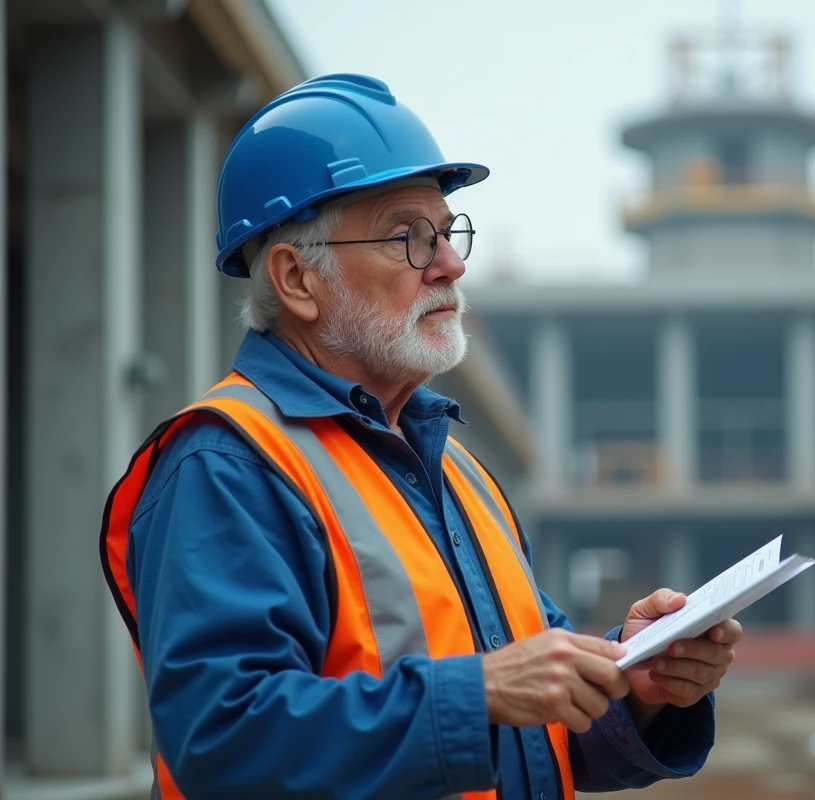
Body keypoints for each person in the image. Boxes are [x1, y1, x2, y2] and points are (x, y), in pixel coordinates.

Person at [99, 73, 741, 800]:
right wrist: (477, 694)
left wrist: (636, 681)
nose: (451, 265)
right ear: (297, 280)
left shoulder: (457, 472)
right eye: (407, 236)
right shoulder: (228, 466)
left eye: (447, 232)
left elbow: (536, 734)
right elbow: (224, 741)